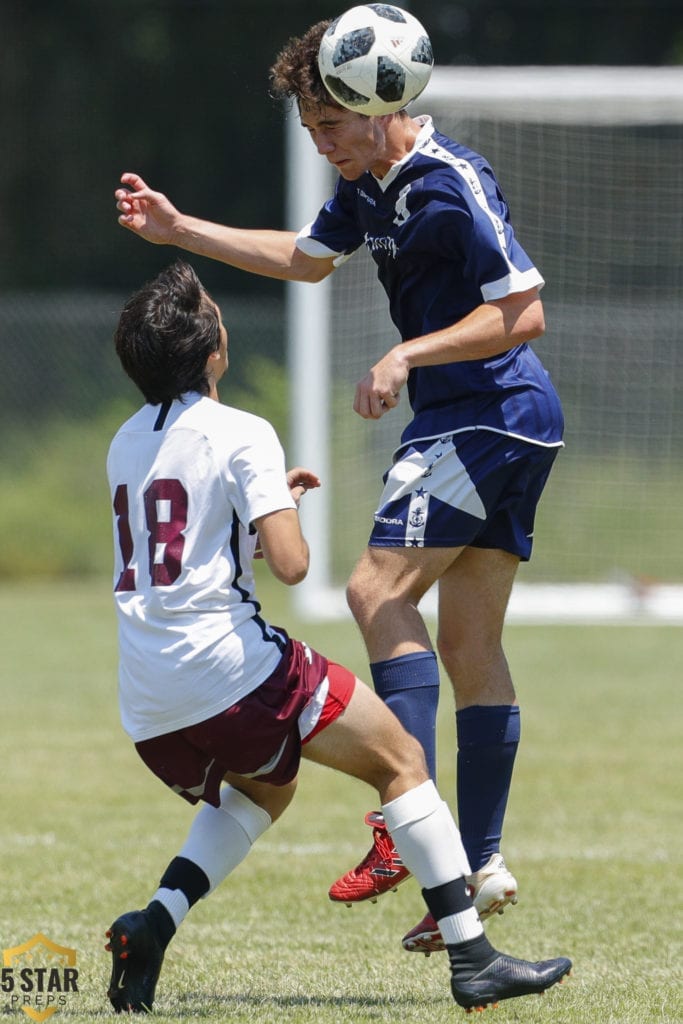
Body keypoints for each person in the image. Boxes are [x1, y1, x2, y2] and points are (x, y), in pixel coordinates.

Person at [113, 14, 565, 956]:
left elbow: (522, 312)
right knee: (469, 645)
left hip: (488, 412)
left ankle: (401, 820)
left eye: (326, 126)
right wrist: (175, 224)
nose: (318, 144)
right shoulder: (369, 188)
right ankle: (475, 862)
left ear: (379, 106)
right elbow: (305, 262)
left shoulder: (450, 183)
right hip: (489, 421)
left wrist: (408, 352)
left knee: (371, 589)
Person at [103, 259, 570, 1014]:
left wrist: (253, 506)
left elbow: (177, 543)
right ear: (213, 352)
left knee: (260, 796)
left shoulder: (123, 442)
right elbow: (292, 566)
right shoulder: (241, 430)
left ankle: (152, 923)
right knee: (401, 761)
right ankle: (471, 956)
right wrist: (275, 509)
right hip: (231, 670)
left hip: (148, 702)